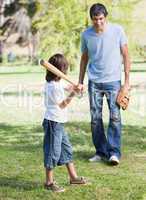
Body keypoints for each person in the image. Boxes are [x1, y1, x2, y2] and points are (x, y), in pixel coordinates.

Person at [78, 3, 130, 165]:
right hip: (94, 82)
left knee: (115, 117)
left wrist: (127, 82)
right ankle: (101, 151)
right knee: (95, 118)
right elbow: (84, 59)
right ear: (91, 19)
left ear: (105, 17)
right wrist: (80, 81)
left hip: (113, 81)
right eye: (95, 19)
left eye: (101, 19)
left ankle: (114, 153)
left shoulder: (117, 31)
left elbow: (126, 55)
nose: (98, 22)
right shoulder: (86, 35)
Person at [42, 53, 87, 193]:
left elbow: (67, 87)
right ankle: (49, 182)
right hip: (53, 122)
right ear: (58, 70)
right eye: (64, 68)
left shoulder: (58, 82)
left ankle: (73, 177)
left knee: (66, 149)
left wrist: (76, 88)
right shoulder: (52, 87)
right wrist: (74, 93)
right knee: (52, 152)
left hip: (59, 123)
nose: (65, 71)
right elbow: (62, 105)